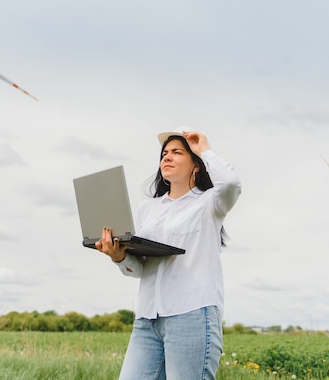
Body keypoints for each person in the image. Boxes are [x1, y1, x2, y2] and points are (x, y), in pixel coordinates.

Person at [95, 127, 242, 380]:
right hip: (147, 319)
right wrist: (118, 256)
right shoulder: (148, 209)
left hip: (192, 315)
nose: (167, 157)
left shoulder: (209, 203)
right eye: (164, 153)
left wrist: (203, 149)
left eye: (177, 152)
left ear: (196, 165)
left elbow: (230, 183)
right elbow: (142, 267)